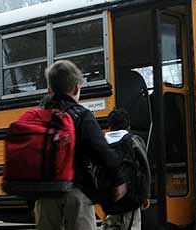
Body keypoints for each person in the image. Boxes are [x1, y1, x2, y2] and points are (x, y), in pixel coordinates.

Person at [35, 60, 127, 230]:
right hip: (76, 191)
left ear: (49, 90)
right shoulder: (81, 115)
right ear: (77, 88)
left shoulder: (38, 117)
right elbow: (101, 150)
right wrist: (117, 180)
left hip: (45, 193)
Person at [102, 109, 151, 230]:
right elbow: (144, 168)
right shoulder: (133, 140)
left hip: (110, 197)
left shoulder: (101, 142)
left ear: (110, 125)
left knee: (111, 224)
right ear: (128, 125)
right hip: (131, 197)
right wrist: (145, 195)